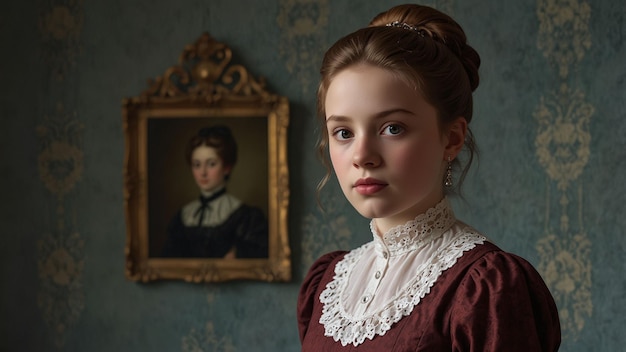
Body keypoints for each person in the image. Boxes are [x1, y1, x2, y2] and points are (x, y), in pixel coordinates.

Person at [297, 4, 560, 351]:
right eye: (343, 132)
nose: (362, 156)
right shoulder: (326, 282)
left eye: (393, 128)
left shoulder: (484, 288)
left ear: (451, 138)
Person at [161, 125, 268, 258]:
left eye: (211, 164)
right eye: (197, 164)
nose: (203, 172)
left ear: (227, 167)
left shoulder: (245, 217)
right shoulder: (182, 217)